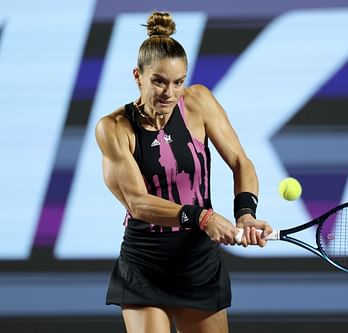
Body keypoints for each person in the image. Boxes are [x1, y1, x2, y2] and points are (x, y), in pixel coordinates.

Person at [95, 11, 273, 333]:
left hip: (198, 263)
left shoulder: (199, 102)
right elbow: (138, 203)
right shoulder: (114, 128)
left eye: (178, 82)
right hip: (145, 264)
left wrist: (245, 214)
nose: (169, 93)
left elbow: (240, 162)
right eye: (158, 81)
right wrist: (203, 218)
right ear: (138, 76)